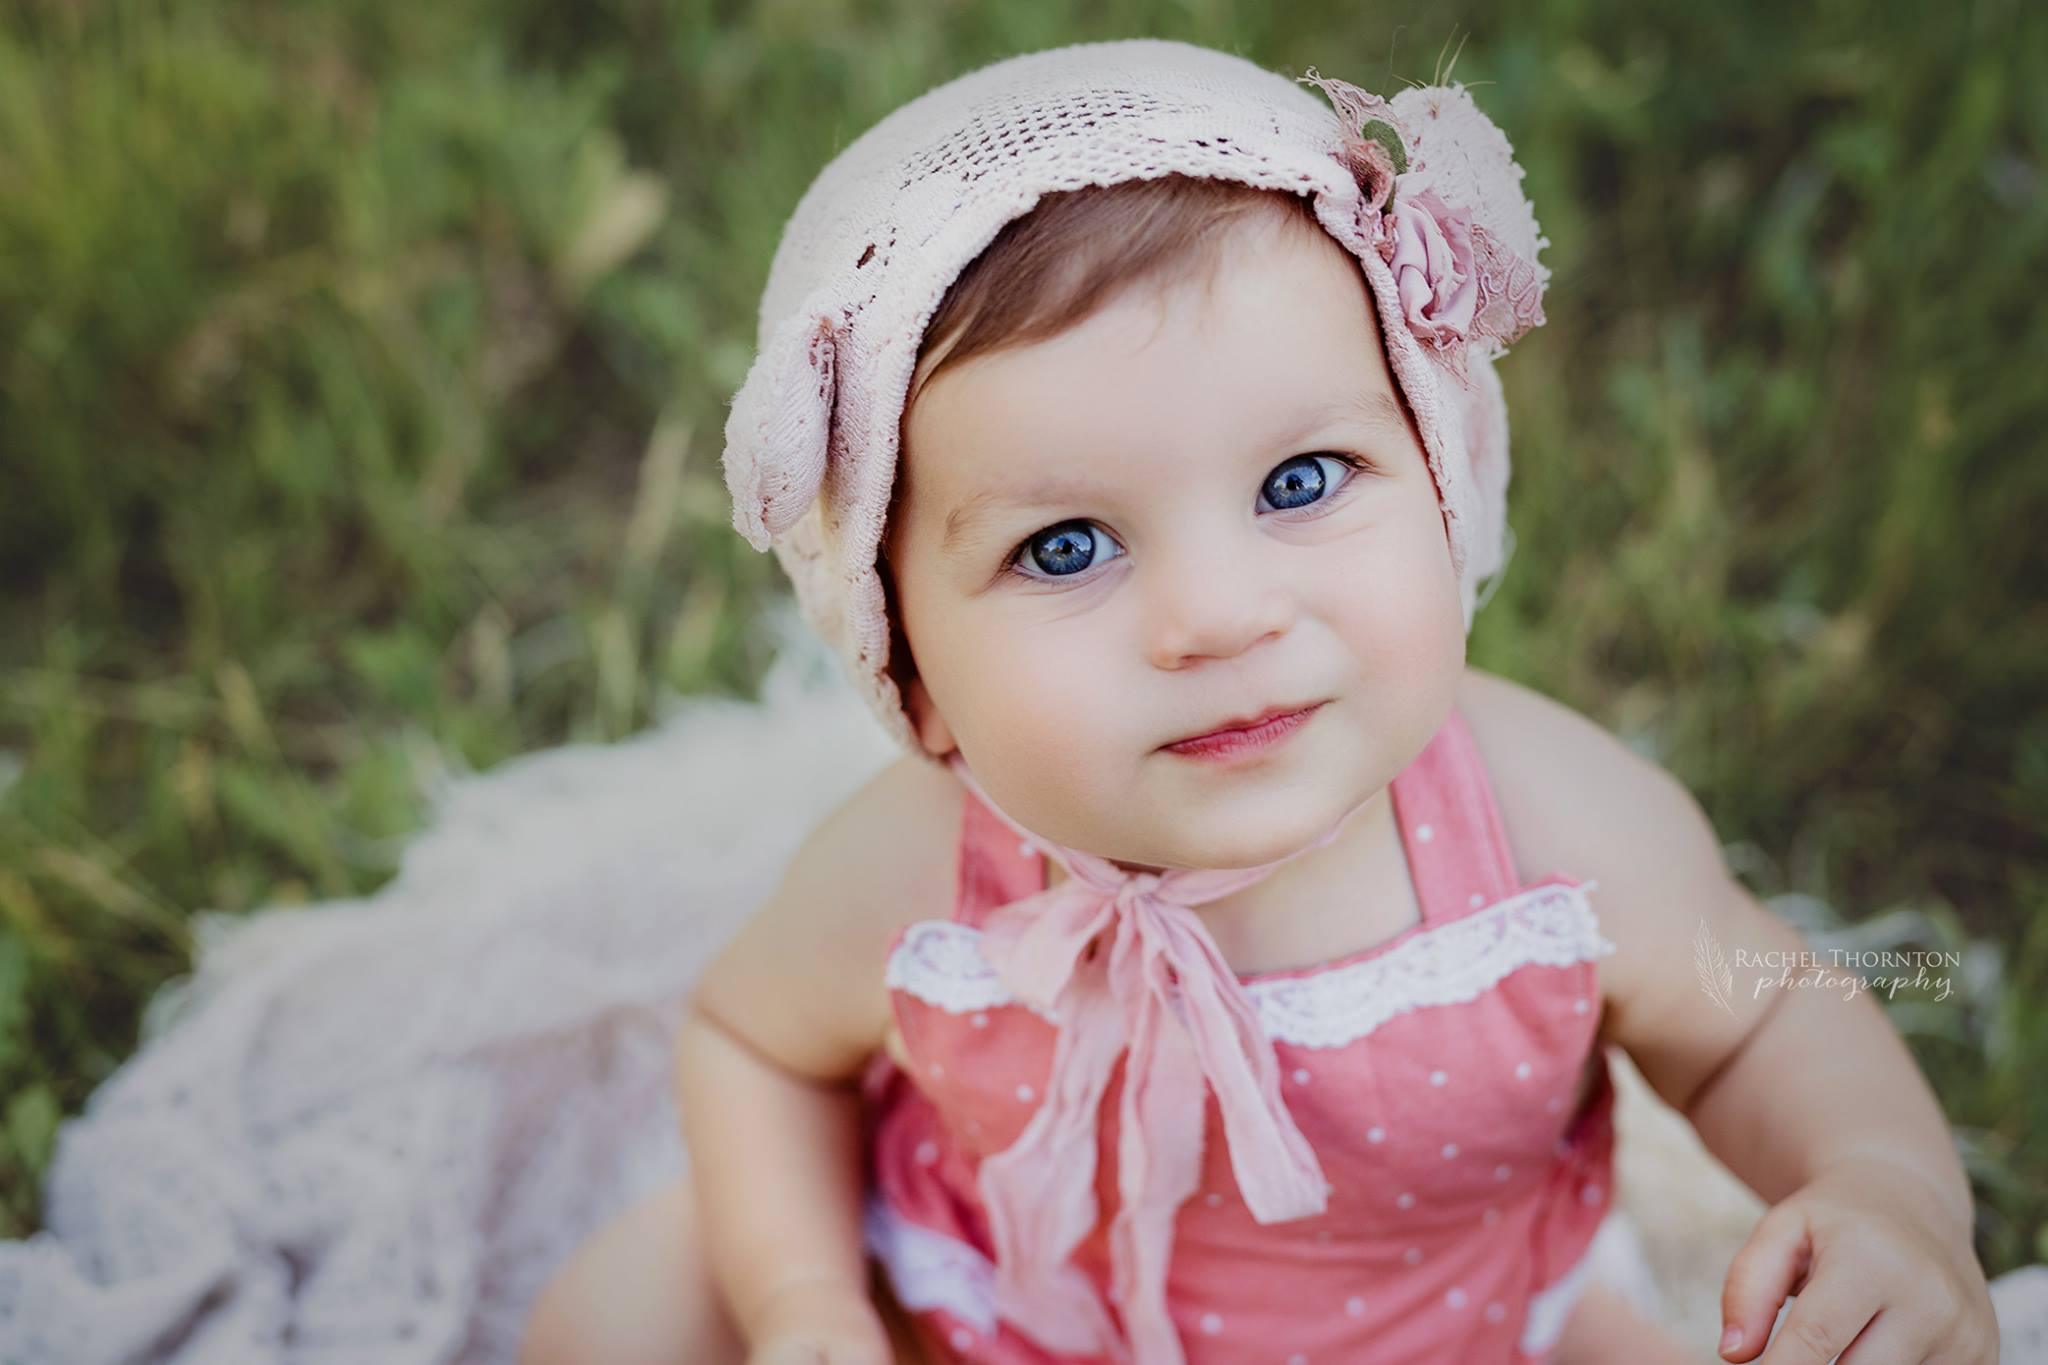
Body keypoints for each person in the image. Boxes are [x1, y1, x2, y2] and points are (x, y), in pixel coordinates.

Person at [517, 38, 2002, 1365]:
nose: (1221, 616)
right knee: (618, 1318)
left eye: (1300, 481)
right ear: (909, 668)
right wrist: (806, 1305)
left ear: (1445, 485)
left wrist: (1887, 1187)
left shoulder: (1547, 835)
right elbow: (756, 1046)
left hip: (1455, 1339)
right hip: (991, 1323)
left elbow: (1763, 1012)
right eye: (1067, 546)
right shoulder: (919, 880)